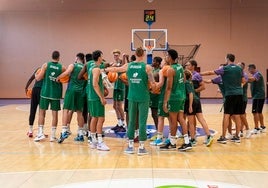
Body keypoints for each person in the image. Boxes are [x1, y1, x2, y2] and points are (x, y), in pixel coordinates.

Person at [104, 47, 156, 155]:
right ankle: (141, 147)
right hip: (144, 97)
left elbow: (115, 70)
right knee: (142, 122)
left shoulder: (128, 65)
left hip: (132, 97)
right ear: (144, 55)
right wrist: (154, 88)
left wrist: (104, 70)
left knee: (131, 121)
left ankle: (130, 146)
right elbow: (153, 84)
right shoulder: (147, 67)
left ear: (135, 54)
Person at [201, 53, 244, 143]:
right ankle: (237, 136)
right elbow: (243, 80)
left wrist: (198, 74)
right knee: (237, 116)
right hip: (239, 94)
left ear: (227, 59)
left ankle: (223, 137)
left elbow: (210, 73)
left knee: (226, 115)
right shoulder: (239, 69)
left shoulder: (225, 68)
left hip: (230, 94)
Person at [161, 49, 192, 151]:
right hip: (182, 96)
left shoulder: (170, 70)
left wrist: (165, 102)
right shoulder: (180, 67)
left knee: (172, 121)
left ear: (170, 57)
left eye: (166, 56)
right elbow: (183, 79)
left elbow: (169, 87)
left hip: (174, 98)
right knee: (181, 119)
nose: (166, 57)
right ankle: (187, 142)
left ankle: (173, 143)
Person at [34, 51, 64, 142]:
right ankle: (53, 136)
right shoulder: (62, 67)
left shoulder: (45, 65)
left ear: (51, 56)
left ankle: (40, 134)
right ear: (59, 57)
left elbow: (38, 78)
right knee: (55, 115)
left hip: (45, 93)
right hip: (55, 94)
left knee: (42, 113)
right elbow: (67, 77)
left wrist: (36, 75)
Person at [57, 53, 86, 143]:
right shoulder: (85, 67)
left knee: (66, 109)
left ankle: (64, 131)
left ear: (77, 58)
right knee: (79, 112)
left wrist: (58, 77)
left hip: (71, 90)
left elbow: (67, 72)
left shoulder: (73, 65)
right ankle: (81, 134)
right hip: (80, 92)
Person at [184, 61, 213, 146]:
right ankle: (208, 135)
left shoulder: (194, 76)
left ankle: (193, 139)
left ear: (193, 66)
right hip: (196, 100)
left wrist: (193, 92)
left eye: (188, 64)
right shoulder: (189, 76)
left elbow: (203, 87)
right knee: (200, 119)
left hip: (192, 101)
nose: (186, 66)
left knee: (191, 122)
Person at [87, 50, 109, 151]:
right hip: (96, 97)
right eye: (102, 56)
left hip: (91, 96)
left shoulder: (92, 67)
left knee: (94, 118)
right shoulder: (96, 69)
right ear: (99, 57)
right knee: (100, 118)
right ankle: (100, 142)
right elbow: (95, 84)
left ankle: (93, 141)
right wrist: (102, 97)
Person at [150, 60, 170, 146]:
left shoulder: (162, 71)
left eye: (161, 62)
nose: (161, 63)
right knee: (172, 118)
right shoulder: (175, 70)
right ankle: (171, 137)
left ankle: (159, 138)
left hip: (163, 96)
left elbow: (161, 83)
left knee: (161, 117)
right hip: (172, 96)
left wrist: (152, 87)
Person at [110, 49, 126, 133]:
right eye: (114, 55)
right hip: (116, 86)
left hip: (120, 86)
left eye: (116, 55)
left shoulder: (121, 62)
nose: (115, 56)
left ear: (119, 55)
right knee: (114, 106)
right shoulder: (113, 63)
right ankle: (119, 123)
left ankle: (123, 124)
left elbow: (123, 67)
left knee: (119, 106)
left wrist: (123, 58)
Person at [25, 67, 43, 137]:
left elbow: (30, 79)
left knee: (32, 110)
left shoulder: (38, 69)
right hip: (41, 91)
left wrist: (26, 88)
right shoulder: (46, 71)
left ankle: (30, 130)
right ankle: (40, 132)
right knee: (41, 112)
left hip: (34, 90)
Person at [248, 64, 266, 133]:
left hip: (258, 96)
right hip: (257, 96)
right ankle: (262, 126)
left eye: (249, 69)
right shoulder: (254, 75)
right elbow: (249, 80)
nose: (248, 71)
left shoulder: (257, 74)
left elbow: (252, 79)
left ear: (252, 69)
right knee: (258, 112)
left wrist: (244, 77)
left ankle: (256, 128)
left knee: (255, 112)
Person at [237, 62, 251, 138]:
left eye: (237, 66)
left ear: (241, 68)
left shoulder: (244, 75)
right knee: (238, 115)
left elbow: (242, 84)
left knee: (242, 115)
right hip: (238, 98)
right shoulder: (238, 74)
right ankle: (240, 130)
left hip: (242, 98)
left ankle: (247, 130)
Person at [149, 56, 162, 130]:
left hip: (157, 95)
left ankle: (159, 132)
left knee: (156, 114)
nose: (152, 62)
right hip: (151, 95)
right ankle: (158, 131)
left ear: (157, 63)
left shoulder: (159, 71)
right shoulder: (153, 70)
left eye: (154, 61)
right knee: (154, 114)